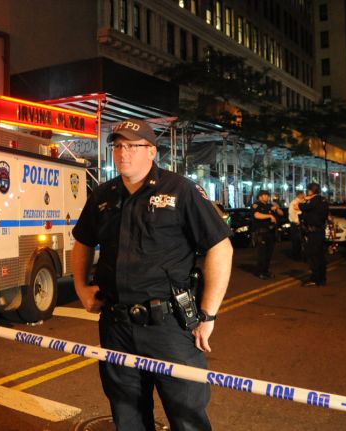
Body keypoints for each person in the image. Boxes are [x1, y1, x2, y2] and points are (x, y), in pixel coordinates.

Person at [72, 119, 233, 431]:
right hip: (117, 325)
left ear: (152, 152)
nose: (123, 153)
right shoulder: (104, 196)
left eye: (133, 145)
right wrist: (80, 286)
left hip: (169, 326)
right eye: (118, 146)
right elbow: (83, 241)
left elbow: (220, 248)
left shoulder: (181, 190)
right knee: (127, 415)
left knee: (187, 416)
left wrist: (209, 315)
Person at [299, 183, 329, 287]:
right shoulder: (323, 200)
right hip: (320, 230)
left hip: (314, 231)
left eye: (308, 190)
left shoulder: (314, 200)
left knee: (314, 256)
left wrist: (303, 200)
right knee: (320, 256)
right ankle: (322, 278)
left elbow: (302, 207)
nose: (307, 192)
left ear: (312, 191)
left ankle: (315, 278)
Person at [251, 190, 282, 280]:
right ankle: (260, 272)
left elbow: (281, 213)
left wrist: (277, 208)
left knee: (269, 254)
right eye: (265, 195)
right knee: (262, 254)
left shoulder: (269, 205)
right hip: (261, 233)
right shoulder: (256, 205)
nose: (267, 197)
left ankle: (266, 271)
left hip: (271, 233)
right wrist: (269, 216)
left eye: (268, 195)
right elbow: (257, 215)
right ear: (260, 197)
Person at [288, 191, 304, 260]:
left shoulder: (302, 202)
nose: (304, 196)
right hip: (296, 224)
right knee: (296, 241)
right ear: (299, 195)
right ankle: (296, 256)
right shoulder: (294, 203)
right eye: (303, 194)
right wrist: (297, 221)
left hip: (299, 223)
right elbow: (292, 214)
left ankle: (298, 255)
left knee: (300, 241)